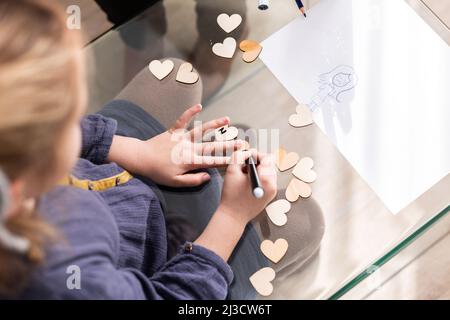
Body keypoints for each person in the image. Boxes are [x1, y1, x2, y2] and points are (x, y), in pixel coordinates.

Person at [0, 0, 277, 299]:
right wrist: (232, 217)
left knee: (173, 76)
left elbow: (78, 132)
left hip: (114, 186)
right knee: (305, 224)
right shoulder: (63, 280)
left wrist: (135, 152)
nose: (79, 121)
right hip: (163, 264)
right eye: (70, 117)